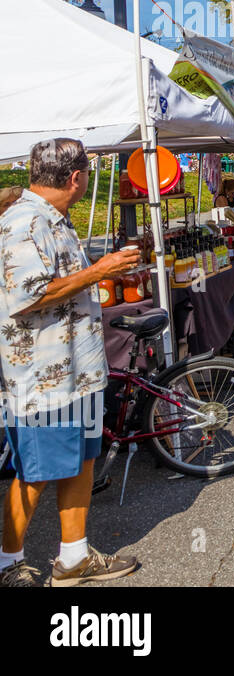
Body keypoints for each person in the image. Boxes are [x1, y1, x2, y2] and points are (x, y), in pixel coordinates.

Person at [0, 139, 143, 587]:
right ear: (76, 178)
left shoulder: (53, 219)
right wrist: (99, 271)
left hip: (76, 370)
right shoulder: (24, 223)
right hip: (44, 379)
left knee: (81, 460)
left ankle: (74, 558)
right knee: (35, 474)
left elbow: (61, 284)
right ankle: (7, 563)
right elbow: (28, 297)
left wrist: (103, 273)